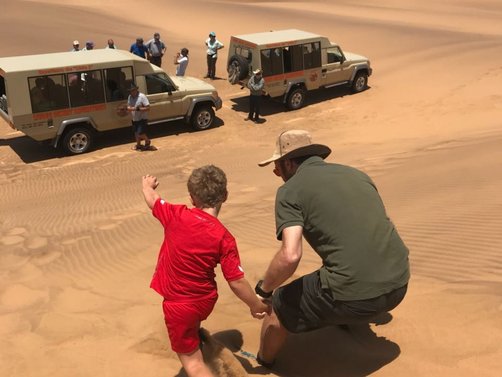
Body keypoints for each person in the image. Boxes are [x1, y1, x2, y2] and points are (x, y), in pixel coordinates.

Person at [254, 130, 410, 368]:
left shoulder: (290, 191)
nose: (278, 174)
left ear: (287, 163)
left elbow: (290, 255)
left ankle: (263, 363)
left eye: (276, 168)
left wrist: (264, 291)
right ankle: (342, 317)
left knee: (279, 306)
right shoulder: (357, 175)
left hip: (358, 297)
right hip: (400, 283)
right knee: (339, 268)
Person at [142, 166, 270, 377]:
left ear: (192, 198)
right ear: (225, 196)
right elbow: (236, 281)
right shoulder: (224, 237)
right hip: (204, 300)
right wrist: (255, 305)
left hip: (180, 305)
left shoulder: (175, 214)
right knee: (193, 329)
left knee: (193, 364)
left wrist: (147, 185)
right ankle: (196, 338)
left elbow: (153, 200)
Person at [127, 83, 151, 150]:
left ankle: (147, 141)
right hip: (134, 118)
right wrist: (128, 108)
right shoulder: (130, 97)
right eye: (130, 91)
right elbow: (128, 106)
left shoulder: (142, 96)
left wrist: (137, 109)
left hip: (142, 118)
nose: (132, 92)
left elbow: (148, 108)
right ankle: (138, 145)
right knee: (136, 133)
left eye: (133, 90)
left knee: (140, 133)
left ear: (136, 90)